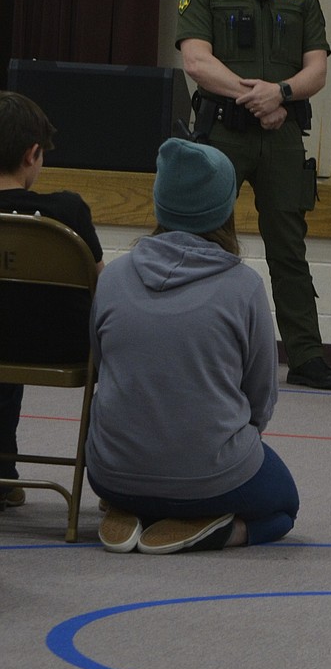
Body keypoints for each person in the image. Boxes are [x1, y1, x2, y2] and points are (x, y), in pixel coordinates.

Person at [88, 137, 300, 554]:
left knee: (133, 457)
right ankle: (218, 528)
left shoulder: (112, 277)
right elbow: (260, 397)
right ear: (225, 208)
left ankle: (129, 508)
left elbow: (101, 367)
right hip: (211, 477)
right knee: (283, 507)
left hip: (110, 472)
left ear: (159, 202)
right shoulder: (245, 287)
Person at [176, 0, 331, 391]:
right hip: (223, 133)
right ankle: (195, 346)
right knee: (206, 243)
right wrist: (257, 96)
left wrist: (283, 93)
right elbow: (197, 63)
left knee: (289, 247)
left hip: (282, 135)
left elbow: (317, 68)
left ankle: (307, 355)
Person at [0, 91, 103, 510]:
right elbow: (102, 287)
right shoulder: (67, 211)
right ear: (33, 153)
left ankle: (4, 475)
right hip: (60, 347)